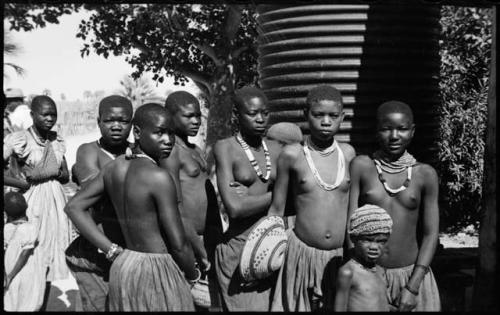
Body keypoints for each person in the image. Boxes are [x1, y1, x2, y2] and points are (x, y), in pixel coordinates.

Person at [64, 103, 199, 311]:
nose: (168, 140)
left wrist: (111, 250)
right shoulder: (159, 177)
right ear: (137, 132)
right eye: (159, 133)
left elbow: (74, 207)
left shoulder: (114, 167)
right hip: (157, 270)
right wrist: (192, 276)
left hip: (123, 267)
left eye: (171, 133)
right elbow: (179, 244)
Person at [267, 85, 356, 311]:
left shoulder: (347, 154)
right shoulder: (292, 155)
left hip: (339, 258)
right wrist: (268, 252)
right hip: (300, 255)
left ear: (342, 117)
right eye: (318, 115)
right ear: (305, 115)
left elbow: (352, 210)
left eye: (333, 116)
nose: (326, 121)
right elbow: (276, 210)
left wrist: (352, 253)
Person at [348, 100, 441, 311]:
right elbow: (350, 224)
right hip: (367, 274)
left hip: (411, 276)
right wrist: (361, 274)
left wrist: (413, 286)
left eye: (402, 129)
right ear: (376, 131)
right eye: (386, 129)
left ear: (413, 131)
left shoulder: (424, 174)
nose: (394, 136)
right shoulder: (362, 166)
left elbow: (430, 234)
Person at [213, 86, 282, 311]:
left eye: (265, 113)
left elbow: (297, 201)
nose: (260, 119)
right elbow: (235, 208)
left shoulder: (277, 149)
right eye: (252, 114)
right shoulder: (226, 148)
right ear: (236, 115)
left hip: (275, 249)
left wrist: (252, 200)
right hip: (239, 250)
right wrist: (279, 194)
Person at [65, 95, 133, 311]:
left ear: (132, 124)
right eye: (109, 121)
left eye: (123, 121)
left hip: (132, 249)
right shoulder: (88, 151)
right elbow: (96, 191)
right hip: (97, 249)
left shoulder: (139, 149)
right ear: (99, 122)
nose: (116, 126)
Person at [3, 95, 72, 283]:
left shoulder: (56, 140)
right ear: (33, 115)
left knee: (54, 250)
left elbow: (65, 176)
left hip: (56, 201)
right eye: (45, 114)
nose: (50, 119)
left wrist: (51, 171)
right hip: (30, 201)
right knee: (31, 249)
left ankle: (46, 293)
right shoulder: (19, 139)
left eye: (53, 115)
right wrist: (21, 183)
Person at [162, 91, 221, 310]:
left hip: (208, 239)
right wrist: (199, 250)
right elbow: (176, 207)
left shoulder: (195, 149)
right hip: (189, 243)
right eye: (188, 116)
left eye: (198, 115)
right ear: (170, 116)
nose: (196, 121)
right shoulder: (170, 153)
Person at [334, 204, 393, 312]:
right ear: (353, 238)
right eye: (368, 240)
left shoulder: (380, 270)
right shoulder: (348, 272)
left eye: (381, 241)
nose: (374, 247)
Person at [4, 191, 46, 311]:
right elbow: (25, 254)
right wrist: (11, 275)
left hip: (10, 266)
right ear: (26, 208)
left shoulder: (7, 228)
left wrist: (8, 275)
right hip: (24, 269)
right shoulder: (30, 228)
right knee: (27, 295)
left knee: (13, 294)